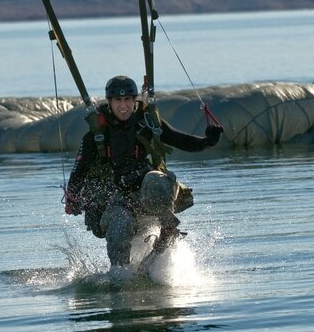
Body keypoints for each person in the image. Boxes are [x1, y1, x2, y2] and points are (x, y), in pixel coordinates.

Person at [64, 75, 223, 268]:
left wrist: (207, 142)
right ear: (110, 102)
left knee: (158, 179)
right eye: (118, 100)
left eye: (128, 100)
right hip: (114, 202)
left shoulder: (147, 123)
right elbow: (78, 173)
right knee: (121, 224)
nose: (123, 106)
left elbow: (182, 141)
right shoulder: (95, 136)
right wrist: (72, 198)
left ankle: (167, 233)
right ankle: (120, 274)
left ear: (134, 101)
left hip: (145, 195)